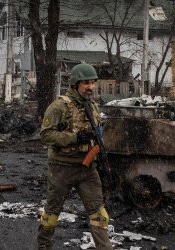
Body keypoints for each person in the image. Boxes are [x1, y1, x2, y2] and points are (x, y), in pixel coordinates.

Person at [37, 63, 113, 250]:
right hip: (62, 168)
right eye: (86, 83)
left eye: (93, 83)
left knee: (99, 215)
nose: (91, 87)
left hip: (87, 170)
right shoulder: (59, 107)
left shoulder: (93, 107)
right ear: (75, 84)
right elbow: (45, 135)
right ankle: (44, 246)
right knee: (52, 214)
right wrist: (75, 138)